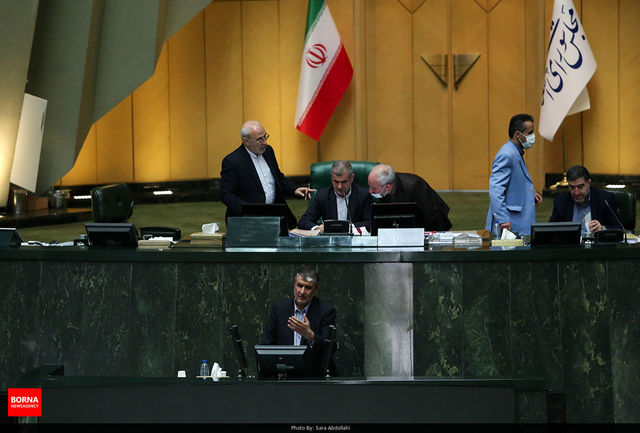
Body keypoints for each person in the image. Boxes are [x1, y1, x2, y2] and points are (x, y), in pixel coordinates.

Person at [220, 120, 314, 228]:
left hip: (275, 216)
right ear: (246, 141)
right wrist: (248, 211)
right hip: (247, 221)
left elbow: (278, 179)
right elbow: (226, 194)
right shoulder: (232, 161)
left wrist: (294, 189)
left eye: (265, 137)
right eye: (259, 139)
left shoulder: (268, 151)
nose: (264, 142)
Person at [261, 268, 337, 377]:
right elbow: (267, 346)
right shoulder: (278, 309)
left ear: (315, 290)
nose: (302, 292)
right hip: (284, 376)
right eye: (299, 286)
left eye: (308, 288)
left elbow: (331, 349)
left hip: (314, 377)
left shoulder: (325, 311)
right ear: (294, 285)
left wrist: (310, 335)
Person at [485, 113, 543, 236]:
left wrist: (529, 194)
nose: (532, 137)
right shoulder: (507, 154)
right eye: (530, 133)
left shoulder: (515, 152)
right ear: (518, 135)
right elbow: (496, 190)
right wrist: (503, 219)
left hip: (515, 222)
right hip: (509, 224)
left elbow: (513, 183)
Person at [367, 164, 452, 231]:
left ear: (387, 187)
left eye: (373, 188)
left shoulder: (415, 185)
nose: (370, 191)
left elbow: (433, 216)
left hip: (427, 225)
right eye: (369, 186)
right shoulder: (381, 187)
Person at [297, 160, 373, 233]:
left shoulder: (364, 195)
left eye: (344, 182)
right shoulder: (322, 195)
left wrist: (348, 227)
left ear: (352, 178)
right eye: (336, 181)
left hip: (355, 238)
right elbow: (304, 221)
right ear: (331, 178)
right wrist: (317, 228)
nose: (339, 186)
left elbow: (371, 222)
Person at [549, 165, 621, 234]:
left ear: (589, 183)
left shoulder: (605, 199)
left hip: (595, 242)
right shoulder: (560, 201)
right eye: (572, 187)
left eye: (580, 187)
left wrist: (602, 229)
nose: (576, 193)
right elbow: (550, 230)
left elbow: (618, 228)